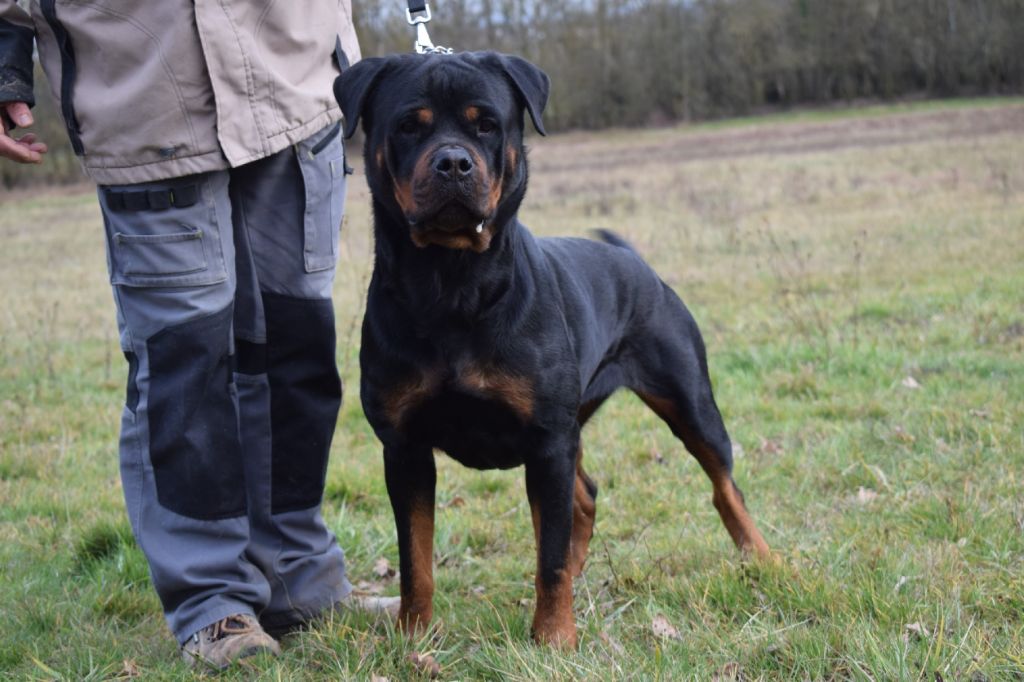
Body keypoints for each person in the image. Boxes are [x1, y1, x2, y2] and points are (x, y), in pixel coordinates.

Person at [0, 0, 396, 670]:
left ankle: (299, 578)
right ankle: (213, 603)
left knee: (296, 346)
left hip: (294, 74)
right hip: (141, 91)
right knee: (183, 362)